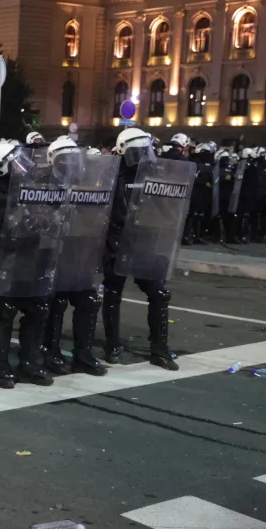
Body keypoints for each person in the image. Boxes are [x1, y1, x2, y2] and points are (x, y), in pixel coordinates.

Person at [101, 128, 184, 371]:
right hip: (118, 244)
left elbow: (168, 210)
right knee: (112, 295)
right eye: (138, 152)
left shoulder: (154, 175)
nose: (142, 157)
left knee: (159, 294)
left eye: (144, 151)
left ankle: (159, 349)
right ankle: (112, 344)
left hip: (146, 243)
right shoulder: (111, 176)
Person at [0, 141, 61, 388]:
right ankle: (0, 366)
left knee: (38, 309)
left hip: (32, 260)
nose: (22, 166)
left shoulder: (31, 188)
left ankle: (29, 362)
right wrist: (12, 237)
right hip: (5, 264)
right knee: (3, 314)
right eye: (16, 162)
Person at [42, 136, 113, 377]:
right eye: (64, 161)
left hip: (81, 251)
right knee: (56, 303)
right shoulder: (45, 186)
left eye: (73, 160)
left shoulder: (88, 186)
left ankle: (83, 354)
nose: (69, 166)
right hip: (56, 253)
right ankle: (50, 351)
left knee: (89, 301)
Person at [183, 142, 215, 245]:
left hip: (204, 193)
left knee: (200, 215)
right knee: (191, 214)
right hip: (194, 191)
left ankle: (198, 236)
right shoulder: (194, 162)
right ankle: (186, 235)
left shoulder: (210, 164)